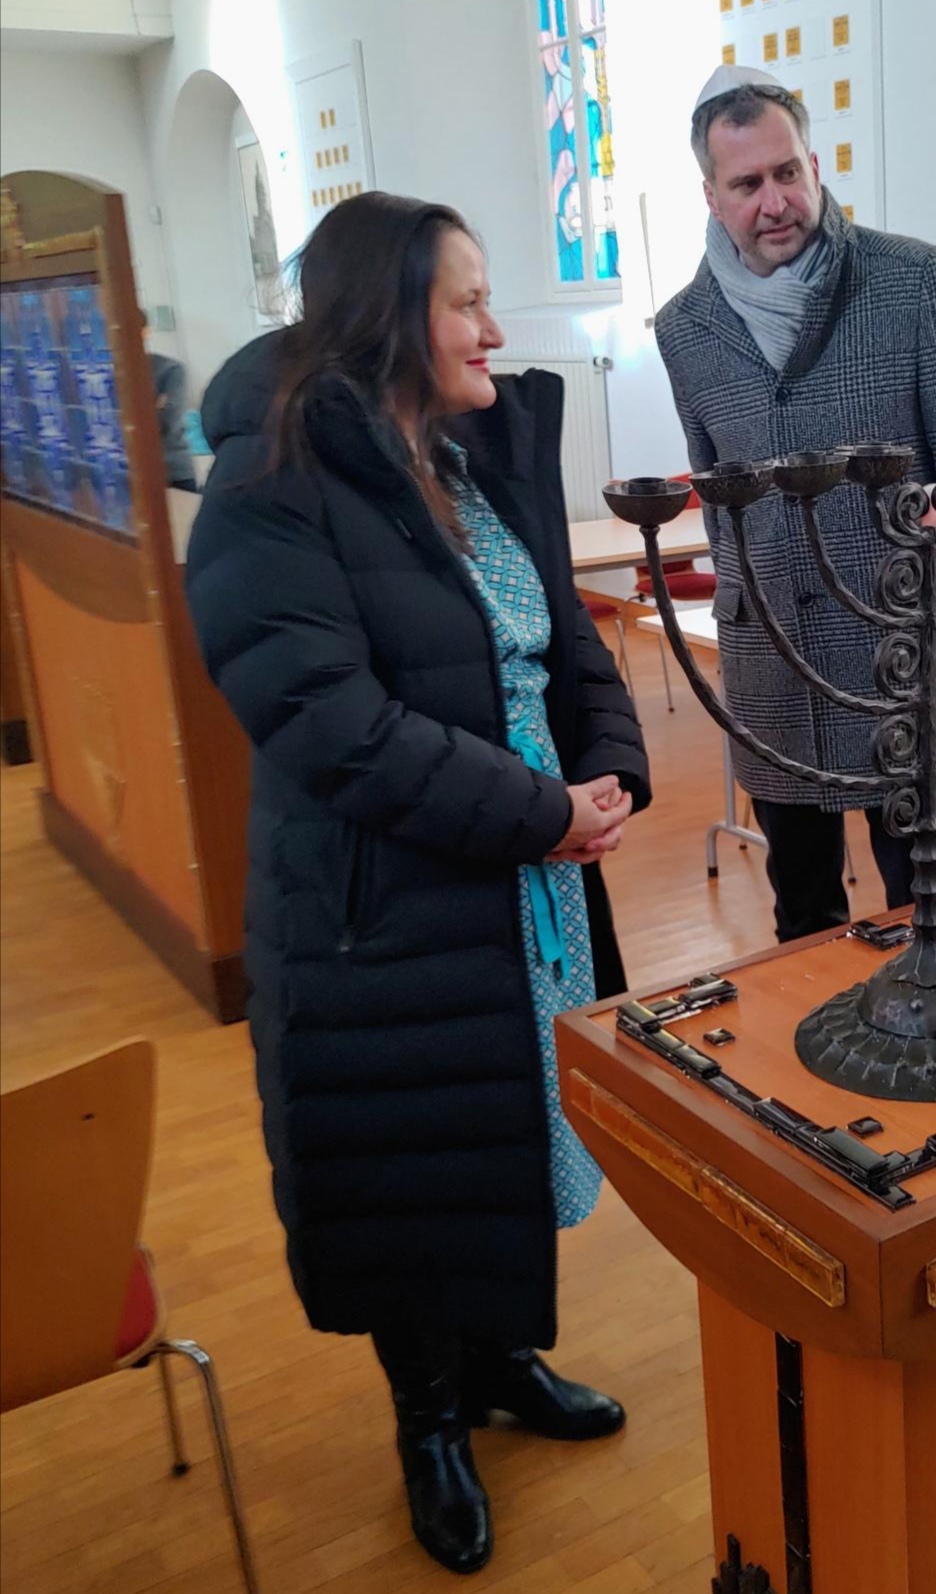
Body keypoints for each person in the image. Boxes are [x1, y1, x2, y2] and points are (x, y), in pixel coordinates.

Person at [184, 193, 649, 1575]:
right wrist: (541, 811)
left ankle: (503, 1359)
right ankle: (430, 1423)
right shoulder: (270, 483)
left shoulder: (469, 456)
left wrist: (610, 767)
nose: (495, 329)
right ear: (387, 313)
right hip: (382, 901)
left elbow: (569, 638)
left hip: (521, 877)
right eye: (466, 301)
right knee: (411, 1159)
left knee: (499, 1131)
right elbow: (333, 725)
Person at [655, 65, 936, 942]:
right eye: (747, 184)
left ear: (814, 162)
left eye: (787, 172)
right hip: (770, 655)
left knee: (924, 902)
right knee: (801, 913)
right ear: (711, 195)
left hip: (894, 650)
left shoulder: (911, 280)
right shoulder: (682, 327)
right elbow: (716, 489)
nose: (775, 201)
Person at [140, 310, 198, 491]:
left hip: (172, 471)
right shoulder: (105, 374)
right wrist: (152, 407)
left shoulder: (170, 369)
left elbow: (167, 421)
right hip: (127, 474)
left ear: (146, 331)